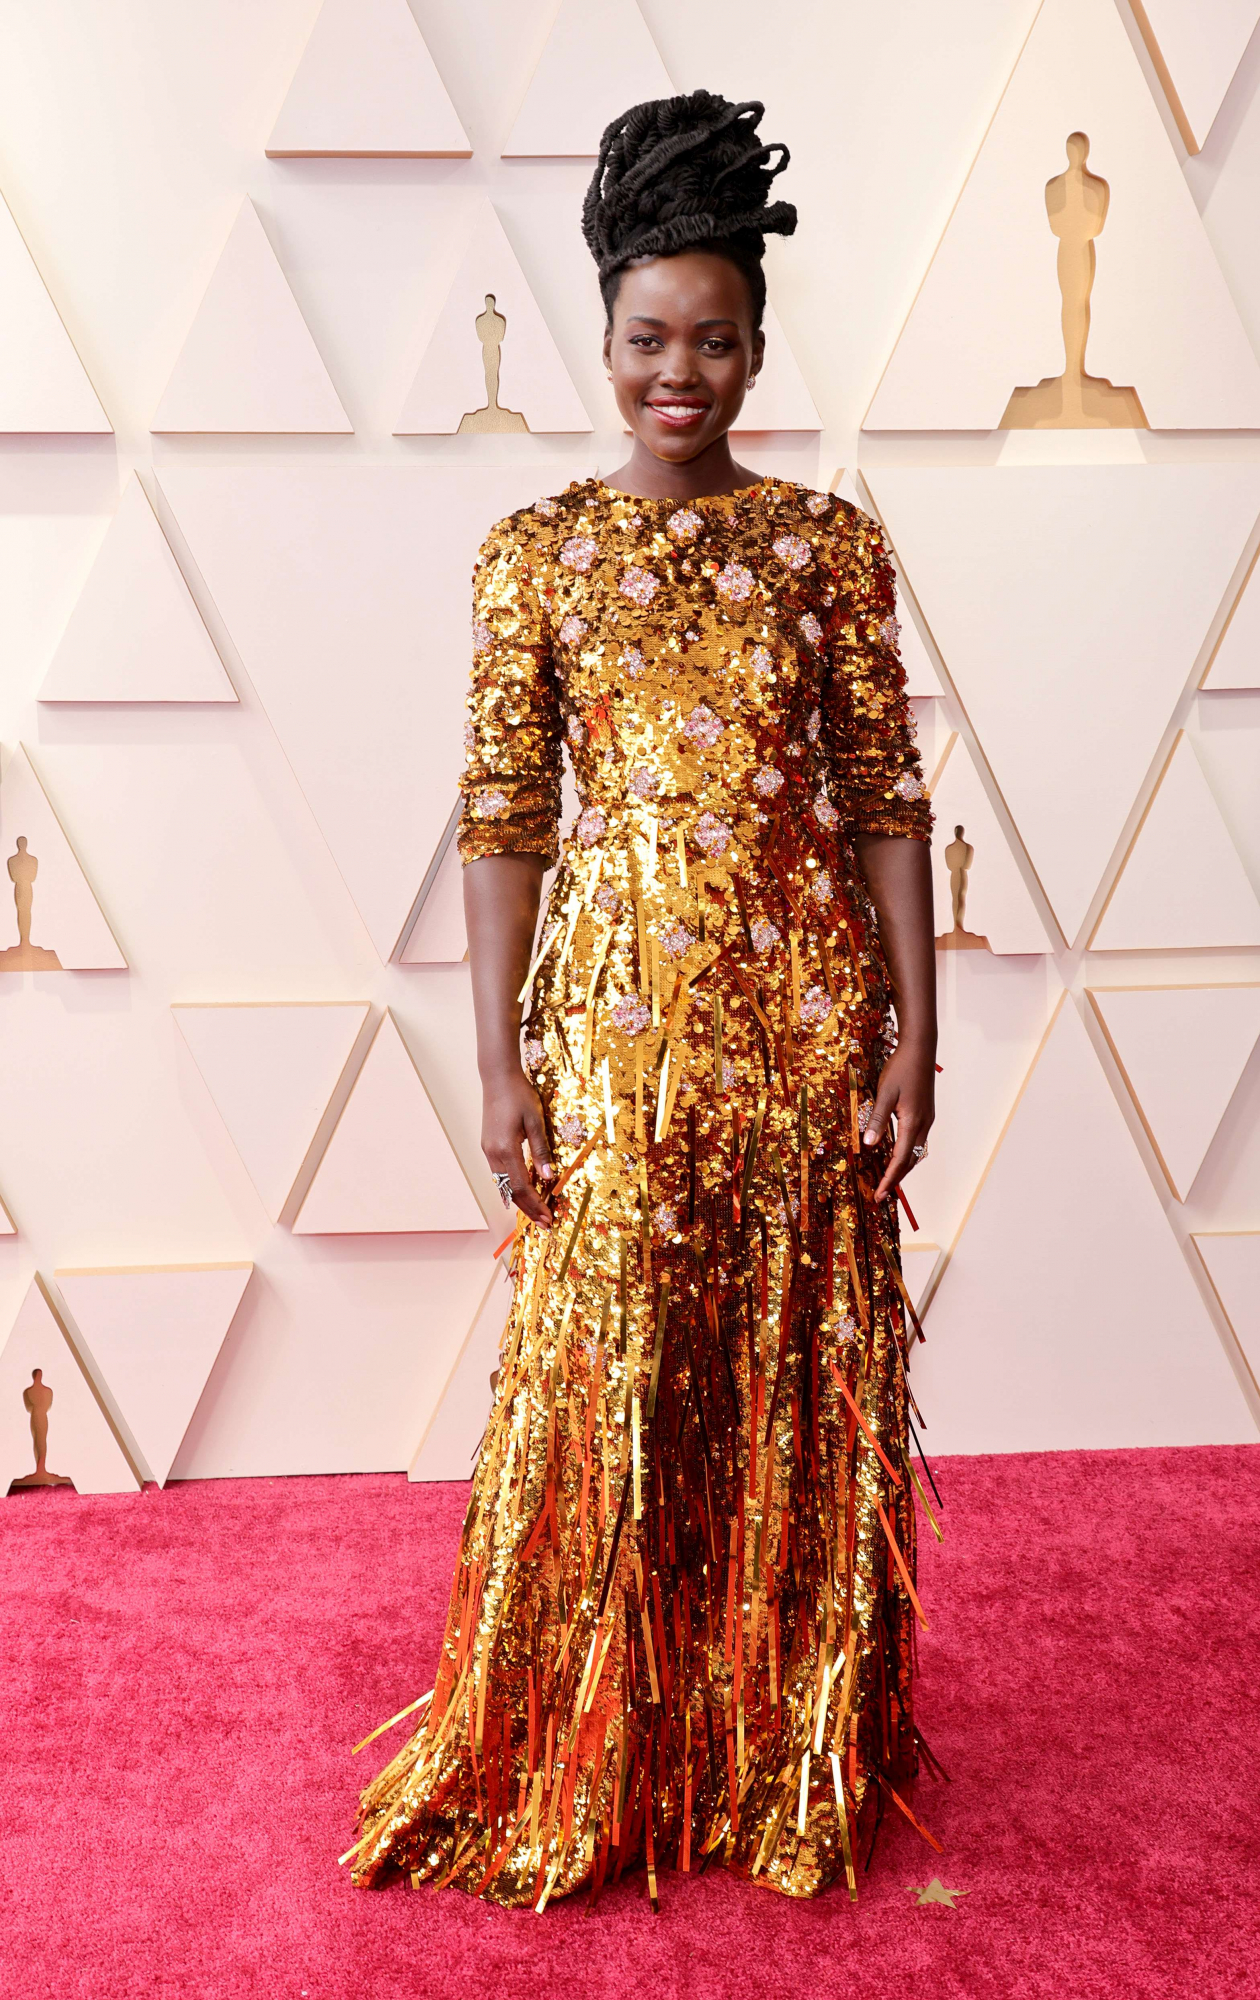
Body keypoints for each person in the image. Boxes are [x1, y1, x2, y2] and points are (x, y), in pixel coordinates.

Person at [351, 89, 939, 1909]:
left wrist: (918, 1032)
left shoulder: (832, 547)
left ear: (760, 346)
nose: (680, 373)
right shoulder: (533, 558)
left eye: (716, 341)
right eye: (646, 340)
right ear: (602, 338)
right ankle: (600, 1742)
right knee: (605, 1389)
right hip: (608, 1031)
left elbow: (886, 804)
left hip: (800, 1022)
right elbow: (506, 821)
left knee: (790, 1380)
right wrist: (501, 1061)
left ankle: (784, 1739)